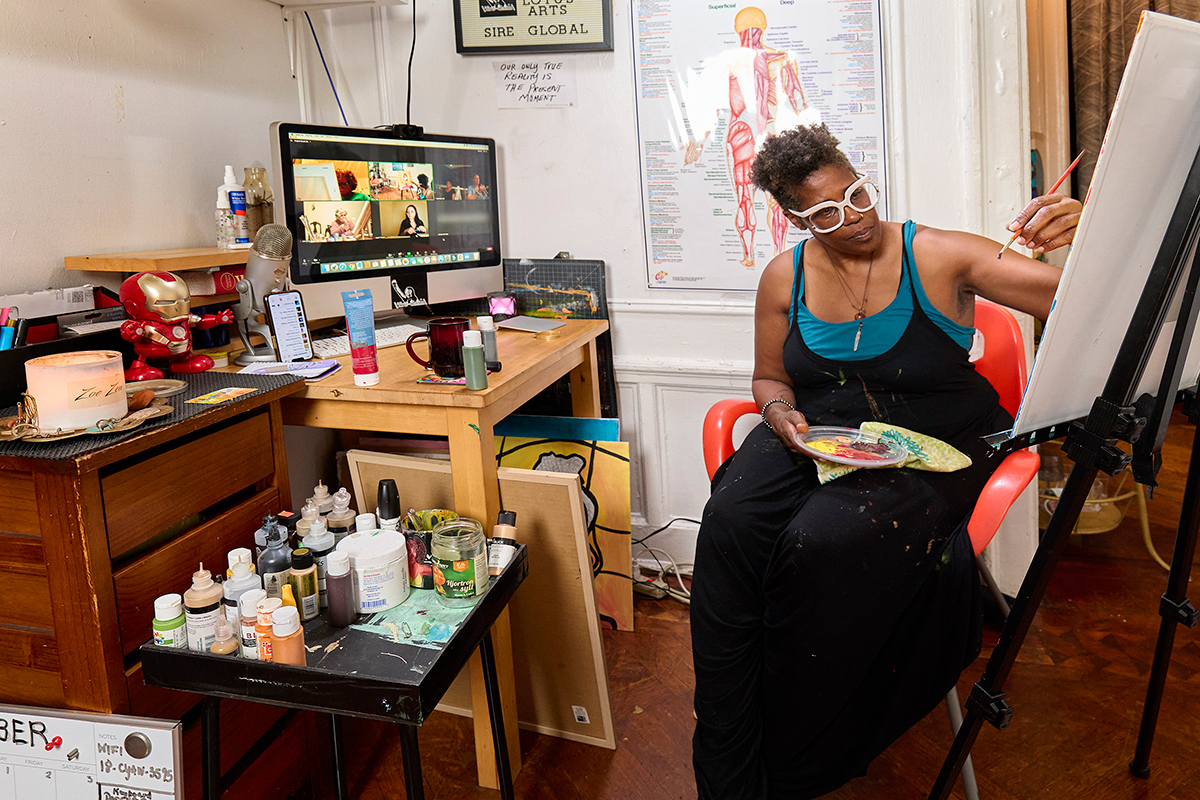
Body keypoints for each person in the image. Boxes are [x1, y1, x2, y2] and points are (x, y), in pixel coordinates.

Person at [690, 122, 1081, 800]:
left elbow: (1080, 304)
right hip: (822, 425)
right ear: (795, 220)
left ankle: (797, 755)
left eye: (859, 194)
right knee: (729, 522)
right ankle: (728, 754)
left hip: (941, 428)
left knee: (822, 541)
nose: (855, 218)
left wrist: (1088, 228)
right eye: (827, 213)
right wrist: (780, 415)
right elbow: (767, 378)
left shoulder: (941, 254)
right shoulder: (784, 276)